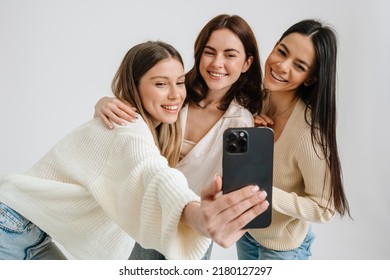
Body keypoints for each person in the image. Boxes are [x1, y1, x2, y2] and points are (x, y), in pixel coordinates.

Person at [0, 41, 269, 260]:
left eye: (179, 82)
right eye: (161, 84)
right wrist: (194, 213)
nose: (175, 95)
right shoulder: (128, 126)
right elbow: (152, 172)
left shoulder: (166, 123)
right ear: (135, 86)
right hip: (11, 227)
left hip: (24, 228)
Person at [94, 14, 264, 260]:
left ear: (247, 63)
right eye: (209, 52)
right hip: (149, 217)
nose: (217, 63)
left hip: (194, 228)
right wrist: (104, 102)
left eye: (230, 55)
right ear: (198, 53)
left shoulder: (243, 122)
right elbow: (132, 118)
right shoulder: (174, 97)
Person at [236, 19, 351, 259]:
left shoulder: (308, 133)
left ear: (310, 78)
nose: (281, 66)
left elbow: (324, 208)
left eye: (299, 66)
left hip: (284, 248)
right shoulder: (257, 100)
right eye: (282, 51)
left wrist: (265, 192)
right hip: (247, 234)